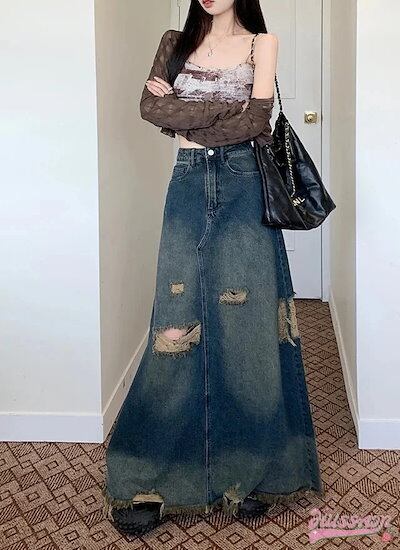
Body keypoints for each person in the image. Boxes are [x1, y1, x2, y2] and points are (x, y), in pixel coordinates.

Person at [102, 0, 325, 537]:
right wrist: (219, 114)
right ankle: (152, 475)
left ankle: (250, 472)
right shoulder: (172, 42)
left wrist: (183, 109)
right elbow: (150, 109)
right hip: (186, 183)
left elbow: (256, 122)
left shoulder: (262, 45)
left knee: (247, 326)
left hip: (244, 184)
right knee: (174, 323)